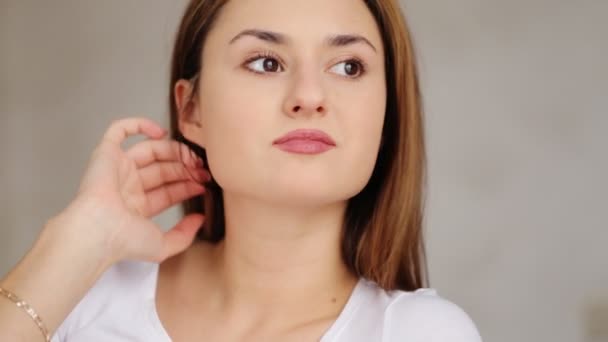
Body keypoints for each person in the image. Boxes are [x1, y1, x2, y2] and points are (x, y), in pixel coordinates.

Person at [0, 0, 482, 341]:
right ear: (192, 111)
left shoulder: (421, 334)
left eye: (349, 67)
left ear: (387, 116)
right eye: (266, 62)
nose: (310, 96)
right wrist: (78, 241)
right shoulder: (82, 297)